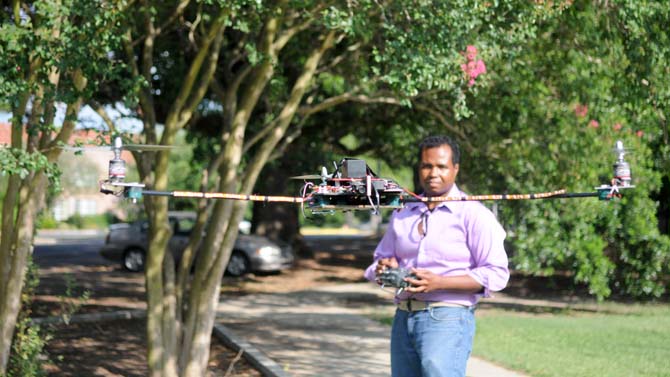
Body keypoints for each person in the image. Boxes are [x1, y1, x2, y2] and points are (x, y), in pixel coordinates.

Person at [364, 135, 509, 377]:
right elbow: (377, 263)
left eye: (441, 166)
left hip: (447, 317)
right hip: (403, 316)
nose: (433, 173)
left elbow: (496, 274)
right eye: (426, 165)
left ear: (455, 169)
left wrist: (440, 282)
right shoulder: (403, 213)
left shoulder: (474, 214)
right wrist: (383, 268)